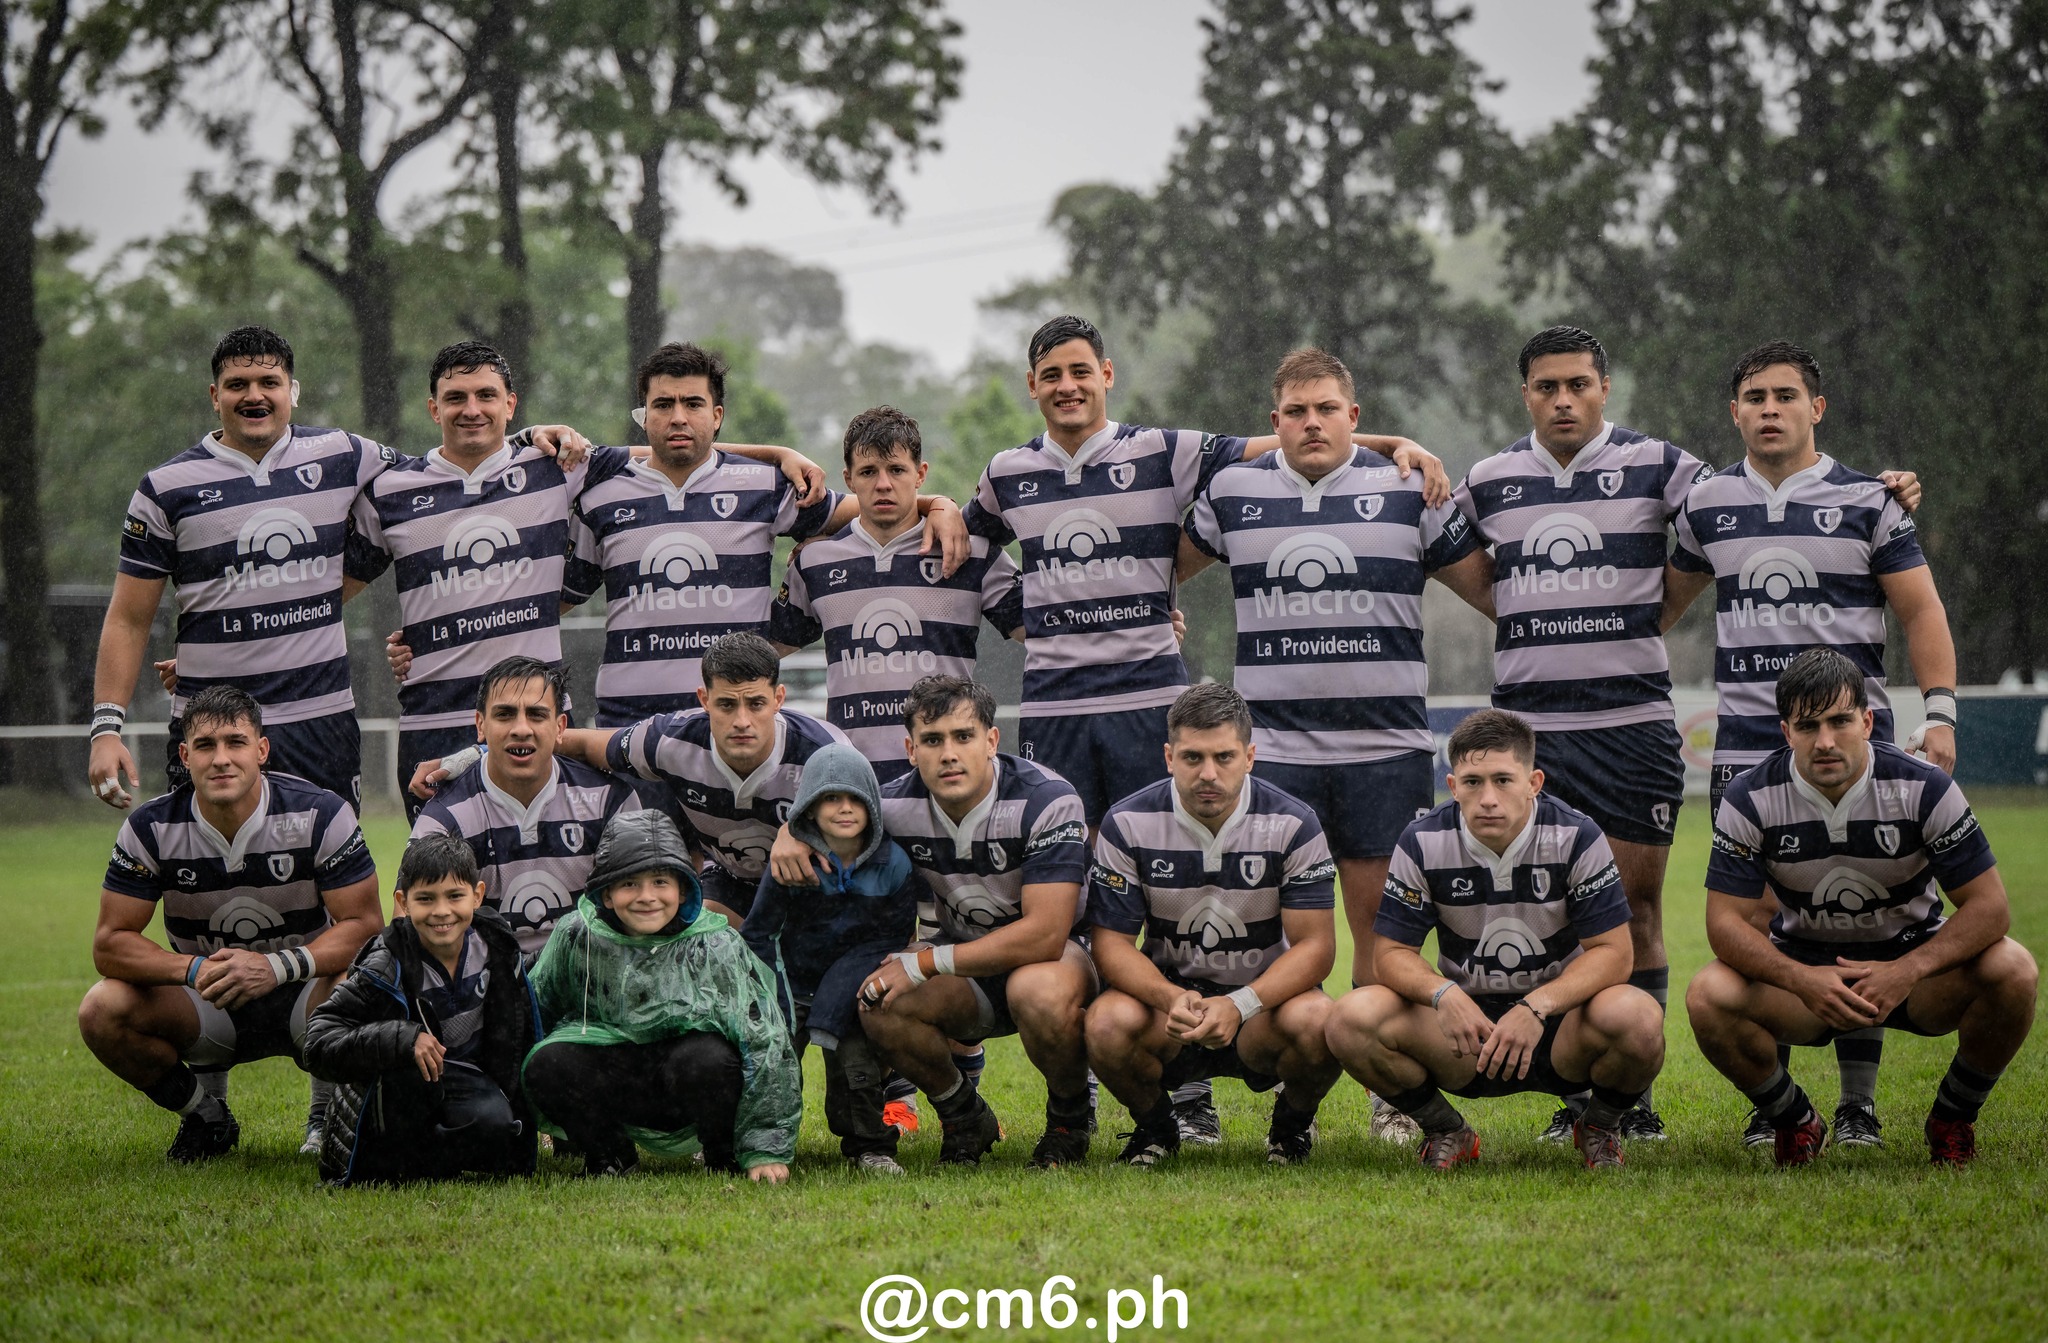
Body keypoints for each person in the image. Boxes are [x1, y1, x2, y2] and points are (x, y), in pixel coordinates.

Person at [966, 313, 1448, 1144]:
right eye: (1051, 373)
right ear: (1033, 385)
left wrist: (1394, 441)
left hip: (1155, 698)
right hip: (1057, 712)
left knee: (1187, 881)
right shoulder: (1008, 472)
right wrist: (1027, 617)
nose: (1068, 385)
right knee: (1092, 905)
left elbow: (1282, 445)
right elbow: (963, 544)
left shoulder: (1166, 447)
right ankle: (1134, 1088)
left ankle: (1364, 1089)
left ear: (1107, 374)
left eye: (1081, 369)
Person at [1452, 326, 1922, 1143]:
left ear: (1605, 387)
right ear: (1525, 394)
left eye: (1579, 384)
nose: (1563, 399)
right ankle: (1578, 1097)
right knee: (1552, 913)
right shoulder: (1488, 480)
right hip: (1533, 735)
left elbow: (1764, 496)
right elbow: (1431, 541)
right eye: (1546, 387)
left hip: (1633, 727)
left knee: (1633, 908)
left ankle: (1628, 1099)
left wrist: (1884, 489)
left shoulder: (1667, 467)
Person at [1180, 348, 1492, 1143]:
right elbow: (1153, 567)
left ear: (1355, 417)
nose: (1311, 422)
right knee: (1267, 939)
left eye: (1327, 409)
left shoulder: (1405, 488)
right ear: (1274, 420)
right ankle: (1285, 1104)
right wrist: (1159, 617)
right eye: (1294, 411)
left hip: (1383, 748)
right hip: (1275, 754)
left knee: (1382, 937)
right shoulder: (1233, 492)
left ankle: (1392, 1091)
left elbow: (1490, 589)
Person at [86, 325, 592, 815]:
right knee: (201, 879)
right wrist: (108, 726)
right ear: (214, 395)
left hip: (319, 718)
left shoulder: (345, 455)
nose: (254, 396)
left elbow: (446, 469)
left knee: (331, 886)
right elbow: (128, 618)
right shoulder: (165, 487)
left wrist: (525, 442)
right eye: (238, 385)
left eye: (269, 383)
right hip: (209, 726)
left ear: (293, 392)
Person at [1665, 339, 1957, 1147]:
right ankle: (1779, 1105)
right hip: (1748, 749)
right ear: (1734, 412)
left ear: (1815, 408)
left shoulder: (1871, 500)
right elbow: (1662, 600)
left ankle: (1860, 1102)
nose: (1769, 409)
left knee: (1862, 915)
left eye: (1785, 395)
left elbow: (1922, 612)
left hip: (1856, 745)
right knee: (1758, 922)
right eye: (1754, 396)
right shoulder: (1706, 502)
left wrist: (1941, 714)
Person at [358, 342, 825, 817]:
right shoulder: (393, 488)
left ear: (511, 404)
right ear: (433, 407)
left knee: (567, 869)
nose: (472, 409)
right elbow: (336, 587)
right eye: (456, 397)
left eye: (486, 395)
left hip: (536, 723)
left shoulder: (557, 467)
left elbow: (668, 451)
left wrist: (777, 453)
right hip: (434, 717)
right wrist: (432, 630)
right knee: (437, 881)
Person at [1686, 650, 2036, 1168]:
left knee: (2015, 971)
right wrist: (1801, 980)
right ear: (1786, 732)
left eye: (1840, 721)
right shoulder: (1750, 798)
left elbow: (1990, 908)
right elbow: (1724, 924)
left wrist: (1907, 970)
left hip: (1912, 975)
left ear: (1867, 721)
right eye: (1808, 726)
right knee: (1708, 995)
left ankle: (1952, 1117)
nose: (1825, 741)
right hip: (1808, 979)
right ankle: (1794, 1120)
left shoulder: (1924, 786)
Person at [1324, 709, 1666, 1171]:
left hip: (1560, 1026)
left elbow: (1615, 953)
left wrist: (1537, 1006)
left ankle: (1599, 1127)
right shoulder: (1423, 841)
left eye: (1503, 780)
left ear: (1534, 782)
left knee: (1639, 1017)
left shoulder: (1576, 835)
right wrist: (1442, 994)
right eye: (1472, 782)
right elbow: (1390, 954)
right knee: (1350, 1018)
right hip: (1467, 1034)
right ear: (1452, 786)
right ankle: (1447, 1130)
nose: (1487, 798)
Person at [780, 676, 1093, 1168]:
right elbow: (830, 815)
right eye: (932, 740)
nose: (948, 754)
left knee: (1037, 989)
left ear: (992, 740)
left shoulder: (1046, 797)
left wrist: (924, 961)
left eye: (963, 737)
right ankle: (964, 1116)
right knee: (880, 998)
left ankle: (1069, 1121)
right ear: (910, 749)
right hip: (965, 963)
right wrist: (789, 833)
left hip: (1056, 960)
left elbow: (1046, 934)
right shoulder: (893, 806)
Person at [566, 344, 967, 727]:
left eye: (693, 404)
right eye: (663, 404)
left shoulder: (766, 486)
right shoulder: (601, 492)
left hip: (739, 726)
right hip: (628, 723)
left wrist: (937, 505)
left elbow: (872, 508)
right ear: (644, 416)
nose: (678, 417)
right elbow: (554, 600)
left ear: (717, 414)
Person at [76, 686, 383, 1161]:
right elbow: (110, 945)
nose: (221, 759)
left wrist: (276, 967)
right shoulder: (149, 828)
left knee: (370, 983)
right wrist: (195, 971)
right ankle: (205, 1115)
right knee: (101, 1010)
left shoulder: (322, 812)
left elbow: (365, 926)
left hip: (307, 995)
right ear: (185, 755)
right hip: (209, 998)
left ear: (261, 750)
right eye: (205, 745)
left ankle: (325, 1114)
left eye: (235, 743)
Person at [1084, 684, 1343, 1168]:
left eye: (1224, 757)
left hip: (1263, 1009)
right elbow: (1111, 945)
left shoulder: (1293, 823)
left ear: (1250, 756)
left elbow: (1317, 948)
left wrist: (1241, 1003)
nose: (1208, 773)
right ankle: (1156, 1130)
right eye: (1192, 757)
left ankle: (1290, 1131)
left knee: (1320, 1021)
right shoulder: (1127, 822)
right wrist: (1169, 997)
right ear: (1168, 756)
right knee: (1105, 1023)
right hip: (1171, 1013)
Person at [522, 810, 801, 1180]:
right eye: (629, 885)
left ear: (683, 888)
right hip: (614, 1079)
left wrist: (766, 1145)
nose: (647, 897)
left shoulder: (715, 944)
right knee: (548, 1062)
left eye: (659, 882)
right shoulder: (578, 935)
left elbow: (765, 1040)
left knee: (709, 1059)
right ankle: (609, 1155)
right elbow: (536, 1011)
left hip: (688, 1083)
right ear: (606, 892)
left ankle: (724, 1153)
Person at [768, 405, 1024, 784]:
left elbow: (1048, 634)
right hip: (854, 782)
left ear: (920, 474)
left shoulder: (970, 553)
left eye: (897, 470)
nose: (883, 484)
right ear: (849, 479)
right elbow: (764, 651)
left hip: (947, 777)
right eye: (869, 472)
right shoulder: (815, 561)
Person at [552, 632, 847, 922]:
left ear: (778, 698)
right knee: (694, 941)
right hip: (732, 881)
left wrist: (801, 831)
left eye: (756, 704)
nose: (741, 721)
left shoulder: (827, 752)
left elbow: (873, 833)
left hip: (821, 886)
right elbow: (586, 744)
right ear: (704, 699)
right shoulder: (670, 740)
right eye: (726, 705)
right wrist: (525, 741)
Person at [303, 833, 539, 1185]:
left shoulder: (499, 948)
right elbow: (319, 1041)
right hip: (396, 1083)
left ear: (477, 895)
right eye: (425, 899)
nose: (441, 912)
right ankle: (387, 1159)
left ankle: (419, 1162)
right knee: (410, 1076)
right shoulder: (387, 959)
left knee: (496, 1126)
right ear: (404, 901)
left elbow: (523, 1035)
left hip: (465, 1076)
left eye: (455, 896)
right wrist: (402, 1038)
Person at [743, 745, 920, 1174]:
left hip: (852, 986)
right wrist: (776, 1000)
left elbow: (892, 937)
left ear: (873, 806)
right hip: (789, 984)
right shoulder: (791, 860)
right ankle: (758, 1144)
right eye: (831, 798)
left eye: (856, 799)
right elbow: (758, 932)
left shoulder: (893, 863)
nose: (845, 809)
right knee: (771, 1063)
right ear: (809, 806)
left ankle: (871, 1147)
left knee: (857, 1065)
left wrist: (843, 989)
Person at [410, 657, 641, 958]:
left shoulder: (609, 800)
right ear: (481, 725)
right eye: (505, 714)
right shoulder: (445, 818)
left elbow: (647, 909)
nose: (521, 729)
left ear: (560, 727)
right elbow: (412, 925)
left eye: (536, 714)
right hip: (491, 991)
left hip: (590, 987)